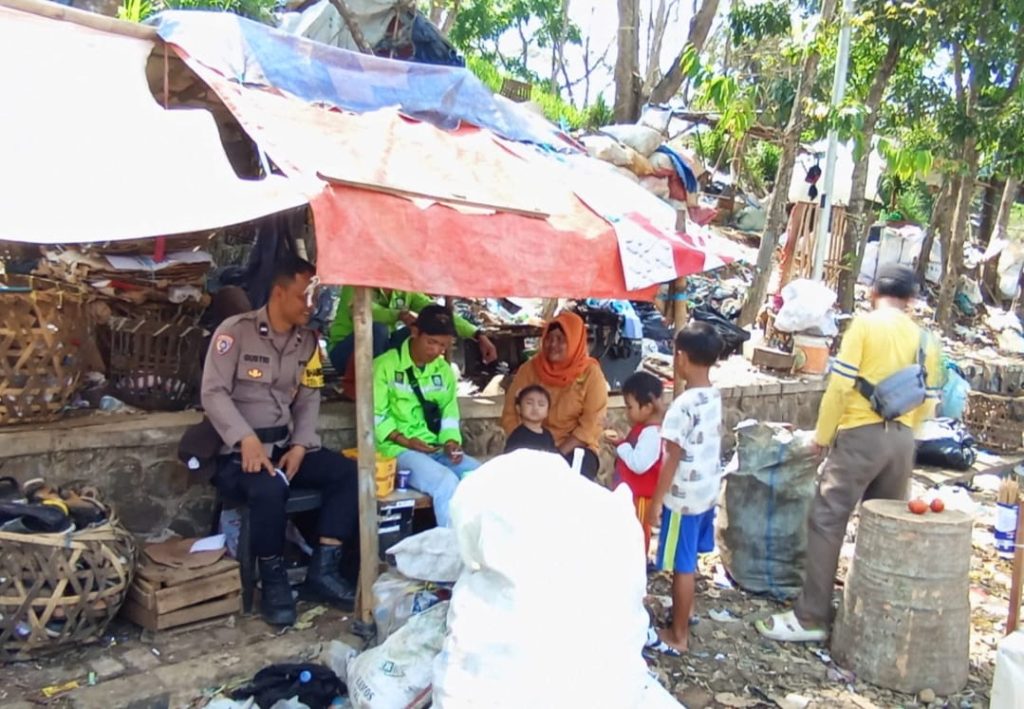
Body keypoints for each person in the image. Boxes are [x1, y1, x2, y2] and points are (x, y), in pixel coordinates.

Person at [757, 263, 941, 643]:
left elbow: (841, 387)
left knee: (827, 520)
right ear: (911, 300)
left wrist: (823, 436)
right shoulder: (926, 340)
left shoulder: (865, 326)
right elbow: (930, 403)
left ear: (873, 293)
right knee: (885, 531)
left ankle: (811, 616)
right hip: (903, 441)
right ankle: (875, 623)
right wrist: (907, 438)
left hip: (860, 435)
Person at [201, 259, 359, 626]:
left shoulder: (308, 341)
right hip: (235, 454)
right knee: (270, 490)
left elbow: (309, 397)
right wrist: (245, 439)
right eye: (305, 295)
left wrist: (302, 444)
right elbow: (213, 393)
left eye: (315, 296)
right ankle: (272, 582)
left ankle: (325, 568)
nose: (312, 304)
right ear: (278, 293)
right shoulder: (235, 332)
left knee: (347, 474)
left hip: (285, 447)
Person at [648, 323, 724, 654]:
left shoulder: (683, 405)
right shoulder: (711, 395)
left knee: (682, 567)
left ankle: (677, 636)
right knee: (689, 558)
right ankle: (686, 611)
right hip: (706, 493)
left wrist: (655, 502)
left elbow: (671, 457)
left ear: (681, 357)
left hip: (682, 500)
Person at [374, 305, 480, 527]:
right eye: (431, 342)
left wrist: (451, 443)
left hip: (435, 447)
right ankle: (452, 554)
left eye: (443, 345)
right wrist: (407, 441)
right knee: (445, 482)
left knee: (481, 476)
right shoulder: (384, 366)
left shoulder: (443, 370)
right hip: (397, 450)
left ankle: (480, 551)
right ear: (415, 332)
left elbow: (450, 413)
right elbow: (376, 416)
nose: (436, 351)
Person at [501, 312, 609, 479]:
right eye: (549, 338)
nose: (553, 344)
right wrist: (525, 444)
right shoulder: (529, 369)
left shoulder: (591, 374)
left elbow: (590, 426)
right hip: (531, 445)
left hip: (573, 449)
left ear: (574, 342)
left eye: (561, 340)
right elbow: (510, 414)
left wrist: (555, 455)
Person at [326, 287, 498, 374]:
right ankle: (376, 383)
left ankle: (406, 380)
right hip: (346, 353)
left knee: (414, 333)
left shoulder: (404, 290)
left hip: (380, 351)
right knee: (377, 330)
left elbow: (439, 315)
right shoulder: (357, 282)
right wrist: (398, 315)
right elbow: (360, 309)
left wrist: (478, 334)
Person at [606, 371, 665, 554]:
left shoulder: (651, 434)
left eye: (629, 407)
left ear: (647, 407)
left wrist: (621, 446)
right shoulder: (646, 430)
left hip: (640, 497)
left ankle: (640, 564)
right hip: (634, 494)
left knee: (638, 533)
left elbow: (639, 464)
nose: (627, 412)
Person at [504, 385, 558, 454]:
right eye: (529, 403)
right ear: (518, 408)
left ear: (547, 412)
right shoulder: (518, 436)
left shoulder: (548, 435)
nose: (535, 408)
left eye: (541, 404)